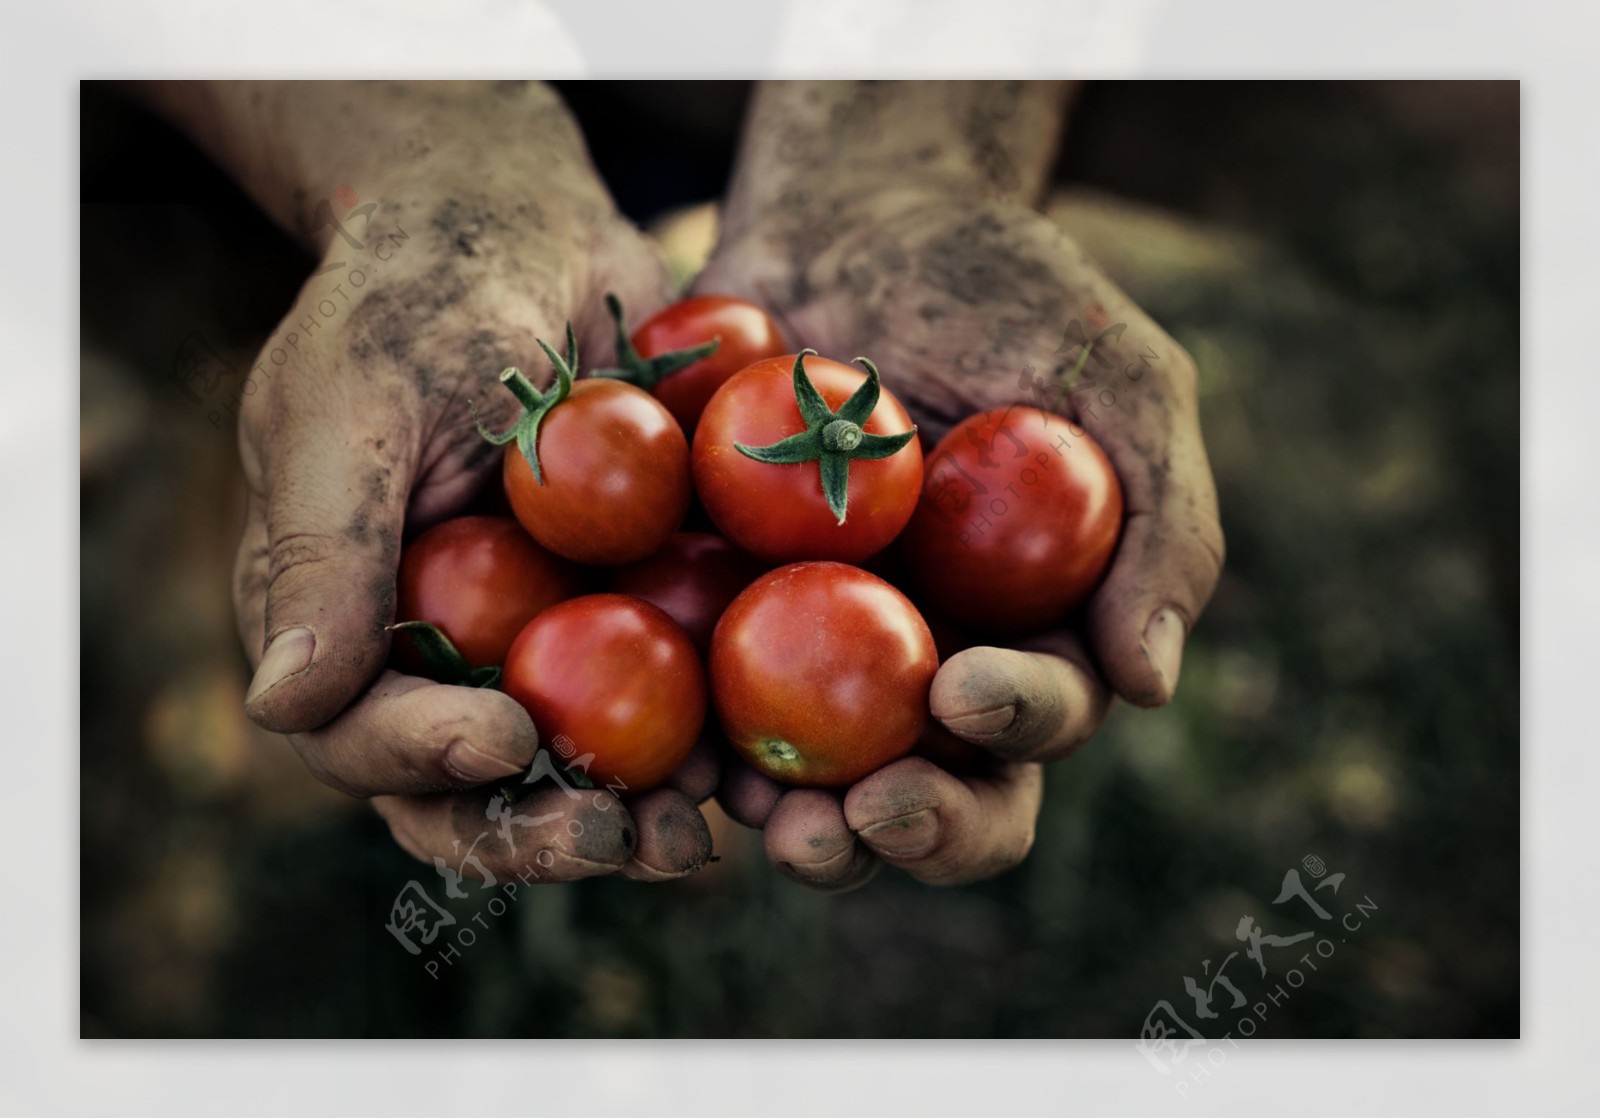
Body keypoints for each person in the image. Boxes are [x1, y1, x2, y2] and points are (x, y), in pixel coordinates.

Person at [141, 80, 1224, 891]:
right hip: (320, 120)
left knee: (336, 506)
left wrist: (900, 164)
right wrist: (437, 173)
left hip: (744, 105)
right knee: (293, 399)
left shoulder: (757, 454)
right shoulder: (709, 445)